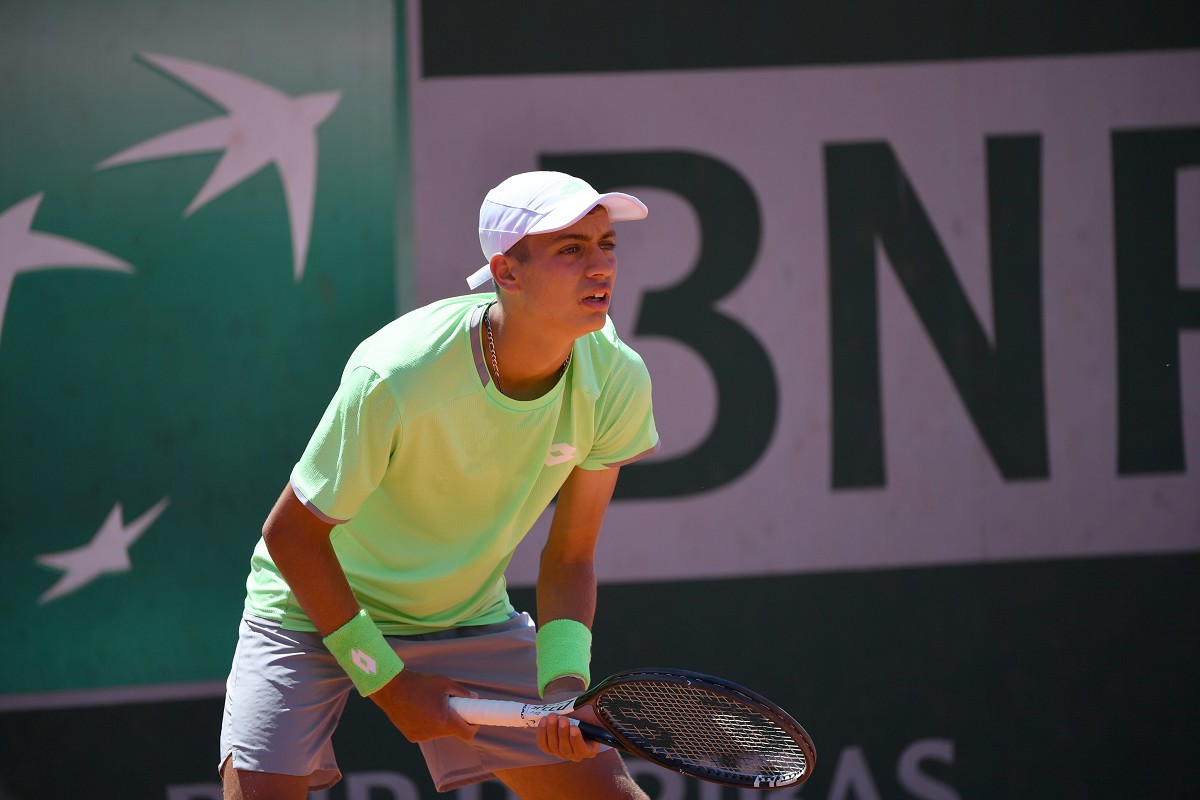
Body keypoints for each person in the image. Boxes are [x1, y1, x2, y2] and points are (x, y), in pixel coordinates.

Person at [219, 171, 659, 799]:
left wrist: (565, 688)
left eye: (606, 244)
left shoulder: (616, 378)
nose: (601, 266)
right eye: (571, 248)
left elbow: (570, 556)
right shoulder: (399, 374)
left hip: (463, 615)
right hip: (312, 608)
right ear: (506, 273)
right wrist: (388, 683)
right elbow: (290, 535)